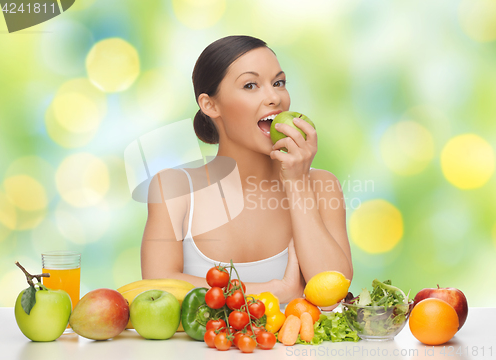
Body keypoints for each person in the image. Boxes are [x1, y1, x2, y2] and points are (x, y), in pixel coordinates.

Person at [141, 35, 353, 308]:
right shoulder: (174, 189)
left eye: (279, 83)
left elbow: (333, 290)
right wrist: (269, 293)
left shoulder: (321, 185)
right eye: (250, 85)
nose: (274, 97)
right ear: (210, 105)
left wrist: (298, 182)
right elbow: (159, 285)